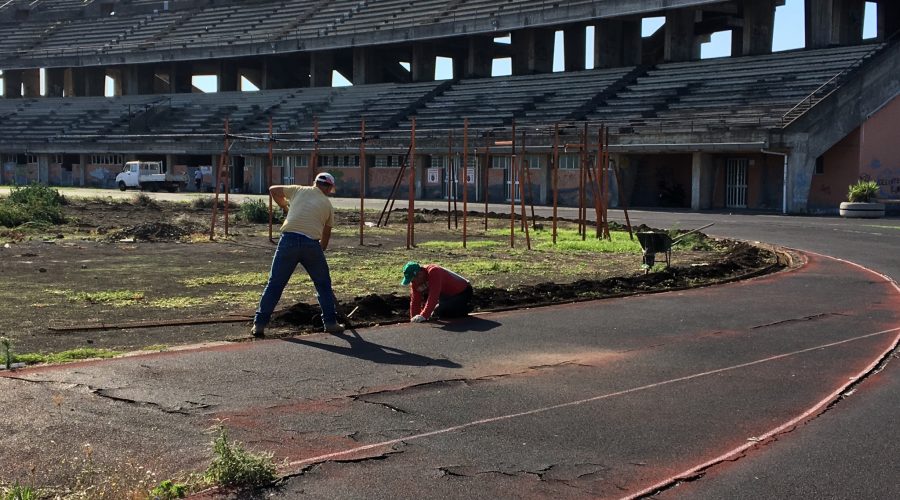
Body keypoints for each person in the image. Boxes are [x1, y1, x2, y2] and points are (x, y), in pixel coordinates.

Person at [252, 172, 345, 337]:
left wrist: (284, 207)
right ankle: (330, 323)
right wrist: (319, 252)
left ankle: (259, 325)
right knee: (323, 285)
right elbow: (326, 234)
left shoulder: (298, 190)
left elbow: (273, 190)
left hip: (288, 241)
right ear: (329, 187)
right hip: (312, 244)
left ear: (315, 182)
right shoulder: (328, 205)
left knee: (274, 285)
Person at [401, 261, 473, 323]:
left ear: (419, 274)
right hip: (445, 295)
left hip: (462, 292)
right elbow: (415, 301)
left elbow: (433, 295)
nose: (412, 283)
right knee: (434, 312)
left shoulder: (434, 271)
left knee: (439, 311)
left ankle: (466, 307)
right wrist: (414, 319)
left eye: (413, 280)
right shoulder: (414, 282)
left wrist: (424, 316)